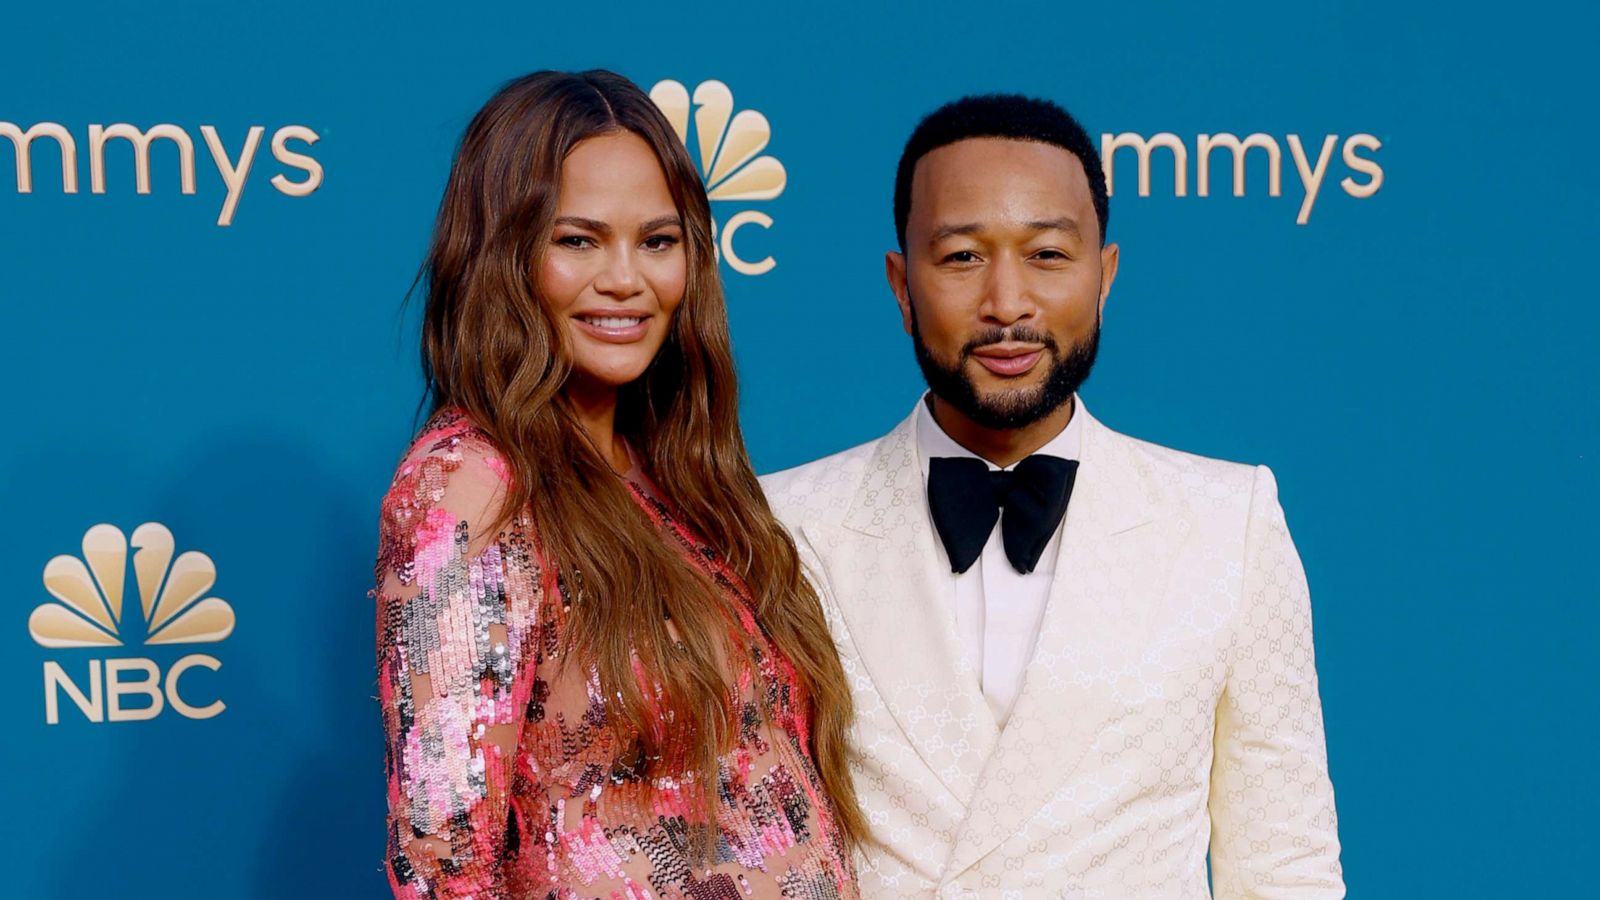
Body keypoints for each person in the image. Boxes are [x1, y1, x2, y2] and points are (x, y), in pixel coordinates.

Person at [761, 94, 1345, 898]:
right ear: (901, 285)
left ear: (1104, 275)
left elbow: (1286, 868)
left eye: (1047, 254)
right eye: (962, 257)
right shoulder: (778, 526)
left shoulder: (1225, 523)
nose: (1008, 304)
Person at [372, 69, 863, 899]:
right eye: (578, 240)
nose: (626, 279)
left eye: (658, 241)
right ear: (501, 256)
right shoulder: (471, 486)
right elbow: (442, 863)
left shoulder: (686, 475)